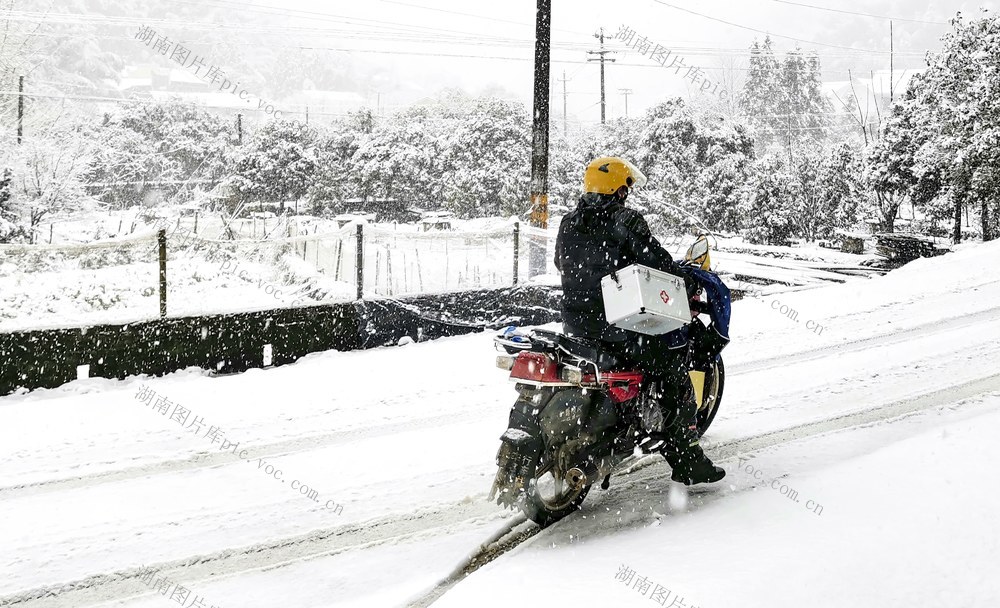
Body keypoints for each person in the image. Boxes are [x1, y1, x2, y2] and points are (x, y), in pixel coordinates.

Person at [553, 156, 725, 485]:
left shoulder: (568, 222)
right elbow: (658, 263)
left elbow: (562, 264)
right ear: (617, 189)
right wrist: (688, 283)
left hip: (576, 328)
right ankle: (688, 461)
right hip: (620, 329)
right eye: (625, 189)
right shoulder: (626, 220)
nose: (626, 194)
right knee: (674, 372)